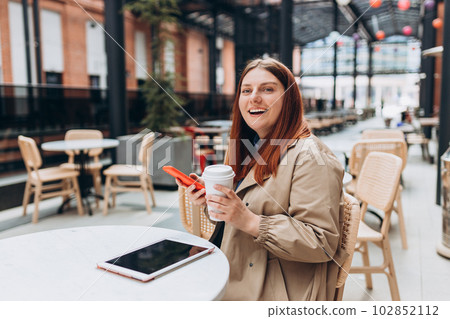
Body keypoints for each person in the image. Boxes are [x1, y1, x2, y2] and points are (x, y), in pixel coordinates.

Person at [176, 58, 346, 301]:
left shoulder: (311, 157)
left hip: (279, 290)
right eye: (246, 90)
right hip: (236, 267)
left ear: (288, 99)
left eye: (267, 89)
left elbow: (321, 243)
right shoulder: (249, 146)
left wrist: (250, 221)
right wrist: (214, 203)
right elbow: (242, 214)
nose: (254, 97)